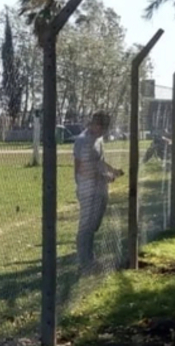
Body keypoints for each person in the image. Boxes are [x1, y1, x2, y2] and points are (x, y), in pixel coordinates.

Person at [73, 112, 124, 272]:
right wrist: (104, 176)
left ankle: (89, 258)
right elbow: (81, 169)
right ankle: (85, 262)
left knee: (94, 225)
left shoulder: (98, 139)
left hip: (100, 189)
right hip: (88, 189)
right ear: (95, 125)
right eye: (102, 128)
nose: (104, 132)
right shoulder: (83, 141)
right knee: (86, 226)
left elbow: (99, 161)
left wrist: (113, 170)